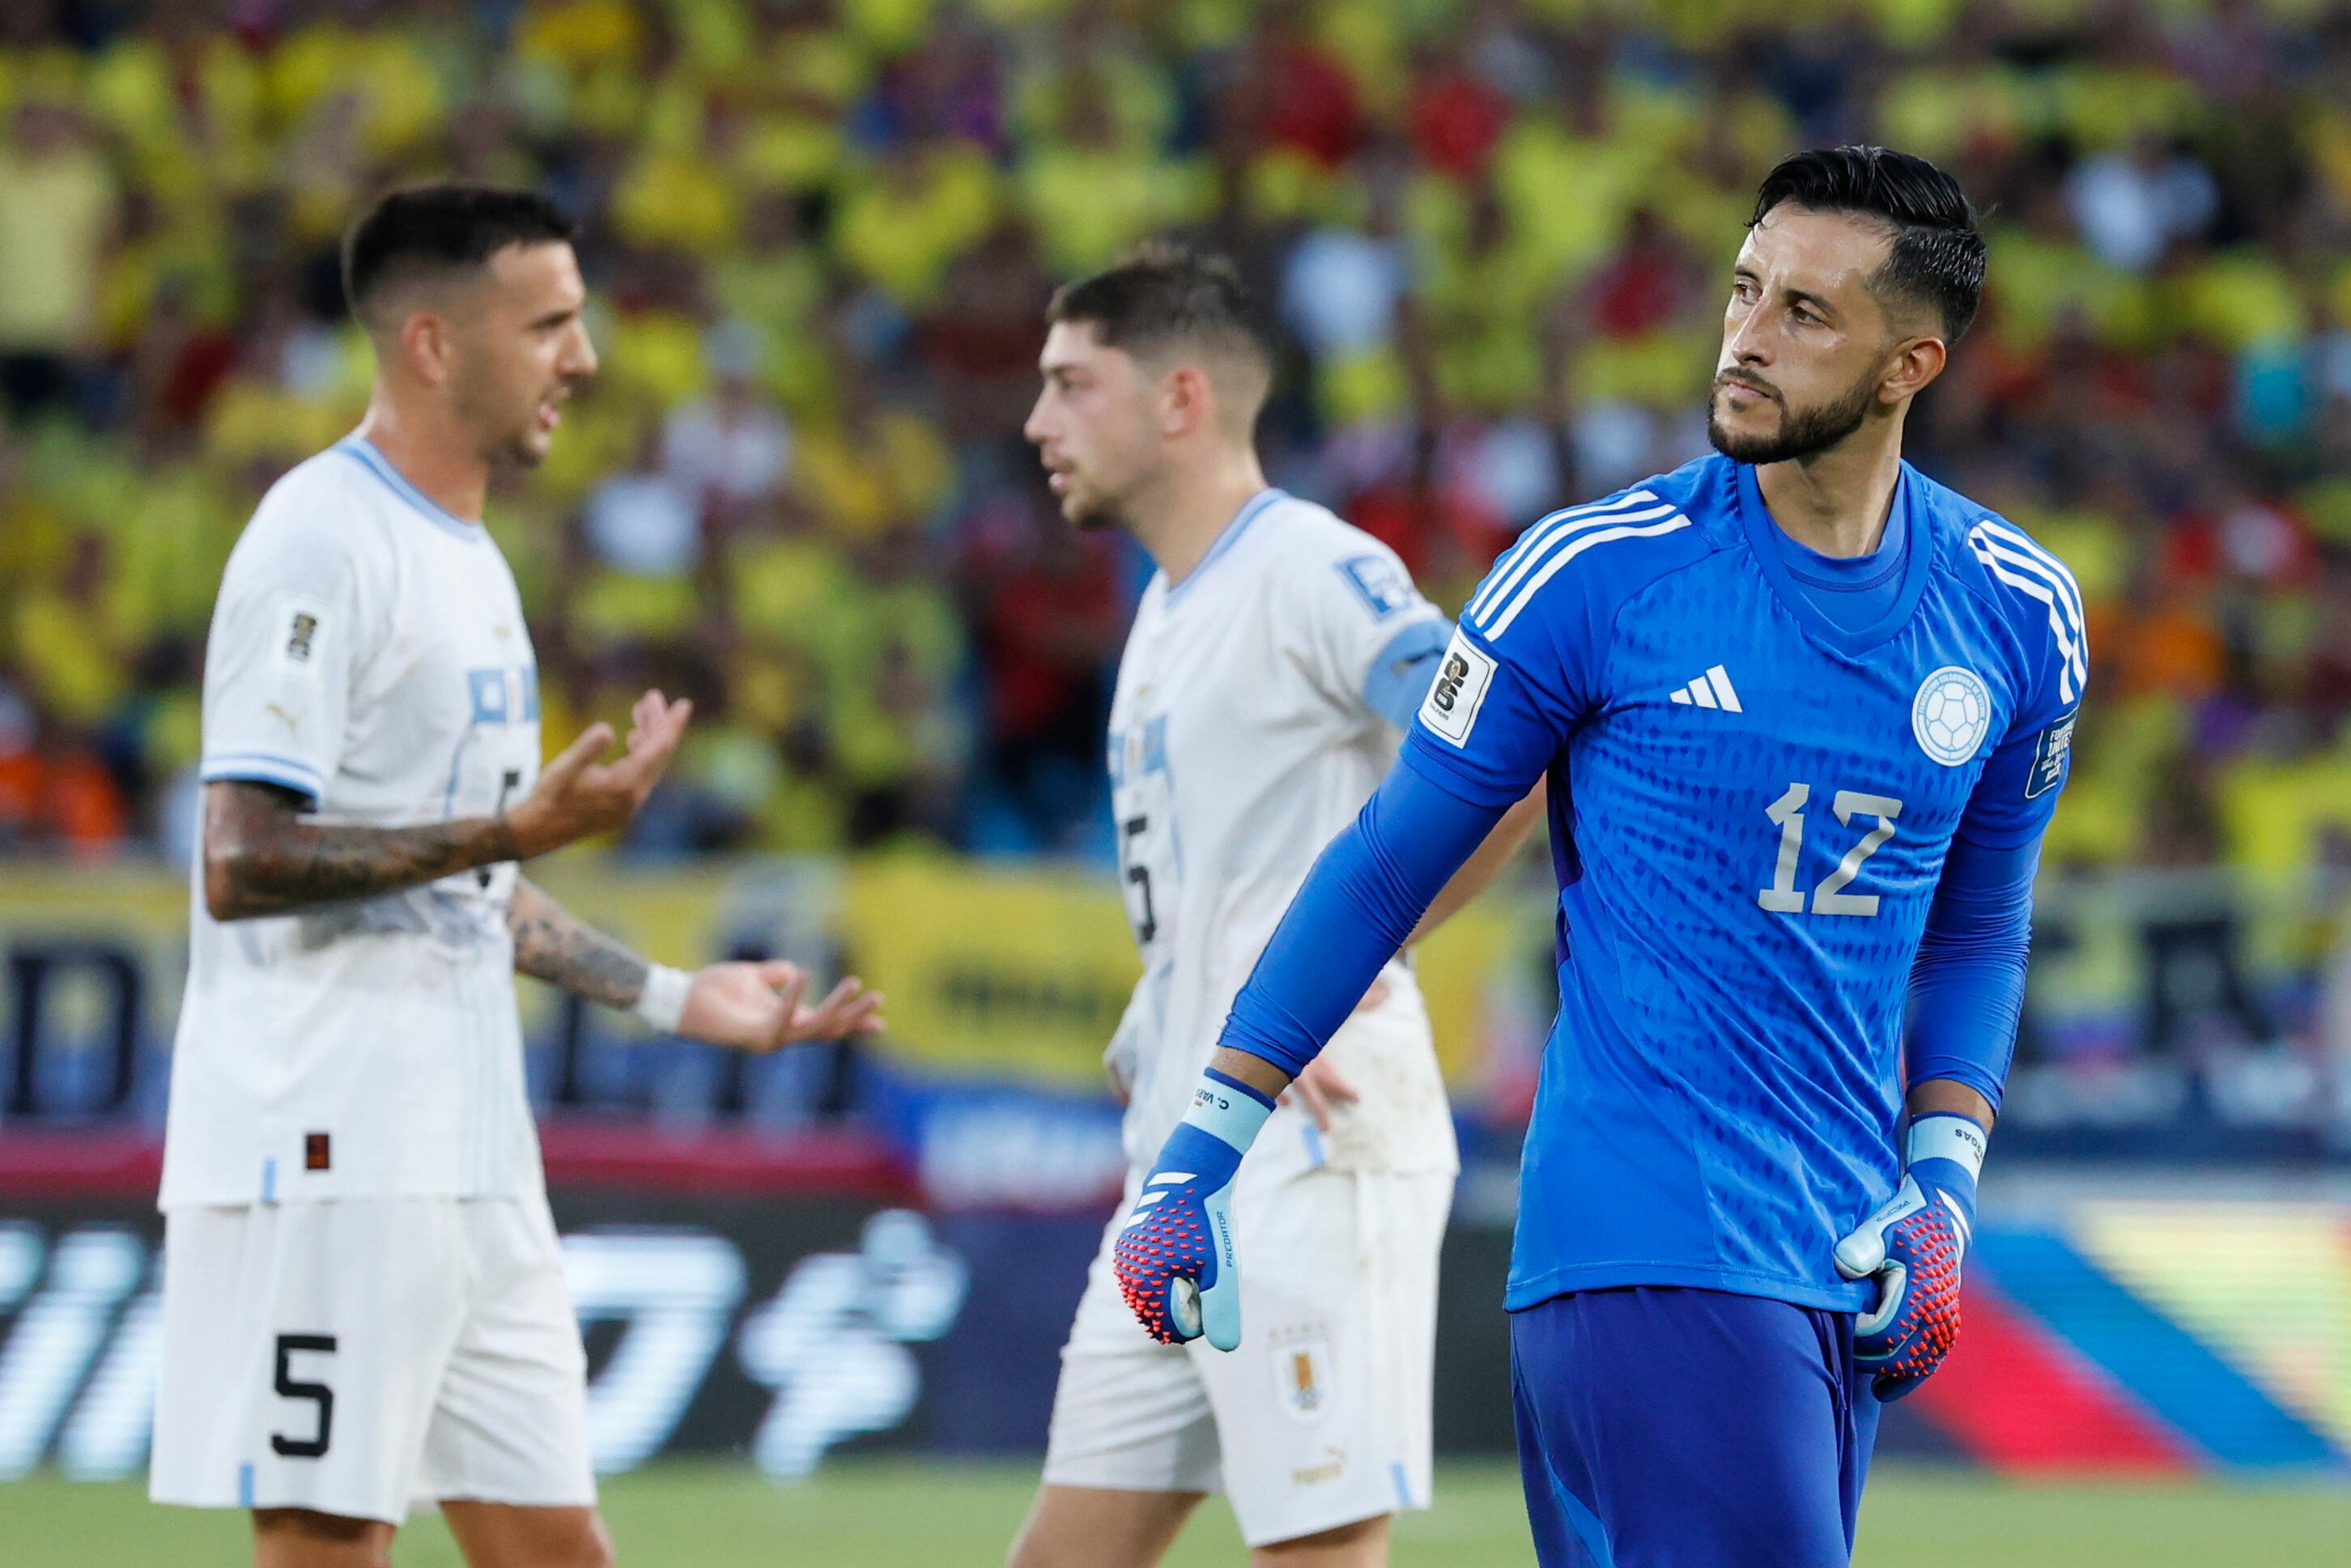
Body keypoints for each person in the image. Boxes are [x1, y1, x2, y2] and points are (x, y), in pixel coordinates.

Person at [1112, 146, 2087, 1567]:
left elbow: (1977, 928)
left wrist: (1941, 1183)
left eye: (1807, 314)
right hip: (1650, 1240)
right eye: (1746, 290)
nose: (1746, 337)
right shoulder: (1597, 573)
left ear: (1909, 364)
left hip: (1842, 1262)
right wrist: (1198, 1152)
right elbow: (1385, 865)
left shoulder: (2018, 614)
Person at [148, 185, 883, 1568]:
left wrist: (675, 997)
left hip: (466, 1140)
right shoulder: (322, 537)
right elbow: (242, 861)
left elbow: (459, 886)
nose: (586, 359)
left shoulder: (471, 561)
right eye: (550, 324)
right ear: (433, 343)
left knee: (556, 1543)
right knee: (326, 1534)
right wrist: (505, 834)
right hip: (328, 1138)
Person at [1007, 245, 1541, 1568]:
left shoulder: (1316, 568)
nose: (1037, 422)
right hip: (1183, 1157)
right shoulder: (1167, 613)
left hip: (1314, 1140)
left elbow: (1505, 765)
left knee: (1312, 1552)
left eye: (1073, 383)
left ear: (1181, 398)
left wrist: (1351, 956)